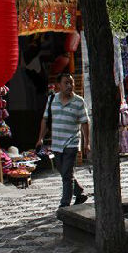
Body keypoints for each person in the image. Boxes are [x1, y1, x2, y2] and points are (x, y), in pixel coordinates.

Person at [36, 72, 90, 207]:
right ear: (58, 85)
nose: (70, 85)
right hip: (57, 143)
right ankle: (80, 193)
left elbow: (85, 122)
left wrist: (87, 143)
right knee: (65, 172)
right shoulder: (51, 100)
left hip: (72, 142)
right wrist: (40, 138)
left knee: (66, 174)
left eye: (71, 83)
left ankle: (65, 204)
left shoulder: (79, 101)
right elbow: (45, 119)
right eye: (66, 83)